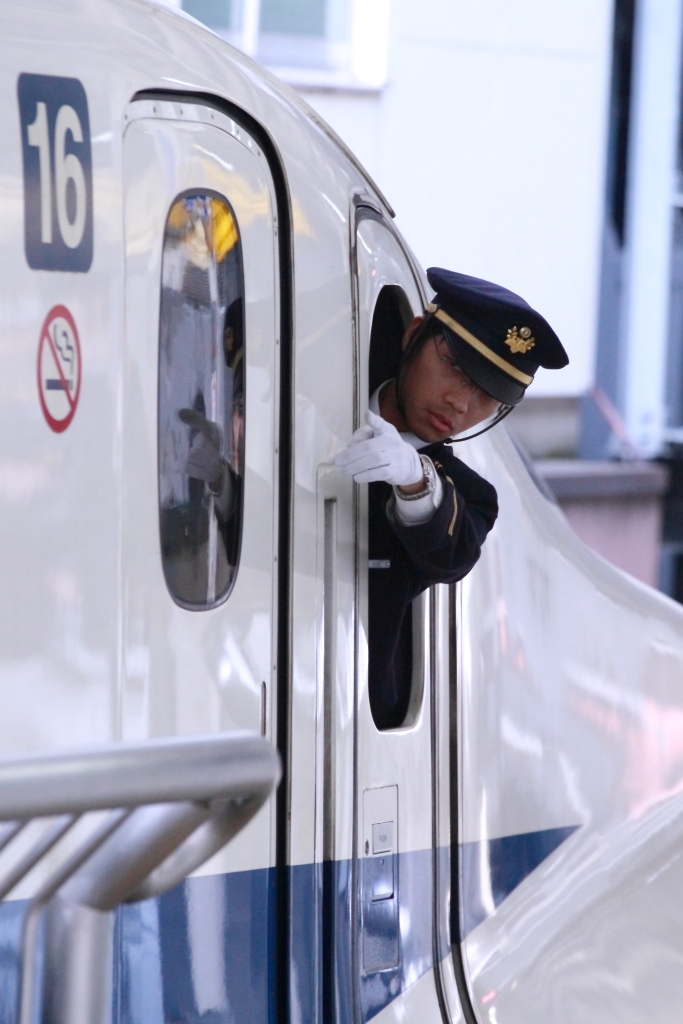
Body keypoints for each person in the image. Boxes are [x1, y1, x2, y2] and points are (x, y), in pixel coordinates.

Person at [335, 268, 569, 729]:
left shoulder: (468, 495)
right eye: (457, 369)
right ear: (415, 334)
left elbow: (452, 548)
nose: (461, 405)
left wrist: (413, 477)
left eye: (488, 396)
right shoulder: (315, 385)